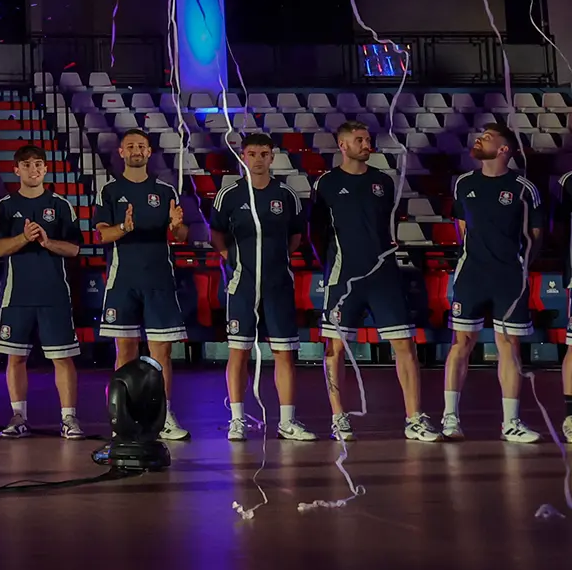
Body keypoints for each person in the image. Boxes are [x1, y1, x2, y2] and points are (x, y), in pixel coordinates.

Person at [311, 120, 436, 443]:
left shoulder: (383, 181)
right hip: (344, 276)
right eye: (360, 140)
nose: (367, 144)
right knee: (335, 348)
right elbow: (316, 233)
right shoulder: (325, 183)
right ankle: (338, 418)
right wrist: (331, 265)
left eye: (368, 139)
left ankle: (414, 418)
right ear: (343, 145)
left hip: (384, 275)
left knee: (405, 345)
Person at [207, 134, 316, 443]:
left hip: (278, 285)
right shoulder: (229, 195)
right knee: (238, 352)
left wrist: (276, 259)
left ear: (272, 157)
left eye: (264, 153)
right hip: (242, 285)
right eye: (252, 153)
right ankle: (237, 420)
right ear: (243, 157)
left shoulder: (286, 194)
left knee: (284, 353)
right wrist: (232, 258)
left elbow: (296, 235)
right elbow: (216, 233)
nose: (257, 159)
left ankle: (287, 422)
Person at [441, 122, 544, 443]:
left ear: (503, 149)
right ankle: (450, 418)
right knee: (461, 344)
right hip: (471, 275)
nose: (479, 140)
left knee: (509, 346)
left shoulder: (524, 188)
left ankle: (511, 422)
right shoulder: (463, 183)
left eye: (487, 138)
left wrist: (518, 266)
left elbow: (535, 235)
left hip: (509, 278)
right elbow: (461, 227)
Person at [93, 128, 191, 440]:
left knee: (162, 353)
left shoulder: (165, 190)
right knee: (125, 351)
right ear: (121, 152)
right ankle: (123, 417)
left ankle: (163, 416)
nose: (136, 150)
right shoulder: (110, 191)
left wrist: (177, 226)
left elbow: (181, 235)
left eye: (141, 146)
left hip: (159, 280)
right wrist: (124, 227)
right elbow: (101, 234)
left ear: (149, 152)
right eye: (130, 146)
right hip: (123, 281)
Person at [0, 145, 87, 439]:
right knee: (15, 357)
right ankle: (18, 417)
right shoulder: (5, 206)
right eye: (27, 164)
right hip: (16, 295)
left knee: (62, 357)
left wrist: (47, 242)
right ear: (16, 170)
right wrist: (23, 237)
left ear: (45, 169)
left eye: (38, 164)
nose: (33, 169)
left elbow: (75, 248)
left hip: (54, 295)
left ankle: (69, 418)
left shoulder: (61, 205)